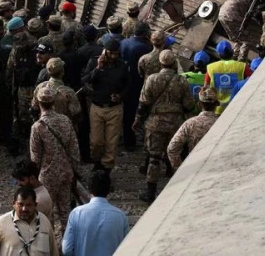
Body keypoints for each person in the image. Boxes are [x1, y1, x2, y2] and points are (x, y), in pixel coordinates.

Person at [133, 50, 194, 203]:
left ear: (160, 63)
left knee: (154, 157)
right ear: (174, 63)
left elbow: (143, 104)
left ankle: (150, 191)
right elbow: (189, 105)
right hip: (175, 123)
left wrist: (138, 121)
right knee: (174, 154)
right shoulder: (181, 81)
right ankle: (176, 187)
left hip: (155, 123)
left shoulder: (152, 79)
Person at [29, 87, 78, 235]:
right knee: (65, 211)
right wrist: (75, 169)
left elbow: (35, 157)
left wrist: (33, 179)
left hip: (47, 175)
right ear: (53, 101)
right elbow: (74, 148)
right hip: (66, 171)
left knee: (46, 214)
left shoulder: (37, 126)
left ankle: (50, 247)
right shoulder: (65, 120)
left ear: (38, 102)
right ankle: (68, 244)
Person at [82, 38, 127, 172]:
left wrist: (121, 95)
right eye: (111, 53)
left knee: (111, 143)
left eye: (116, 53)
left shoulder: (122, 65)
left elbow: (128, 85)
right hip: (97, 107)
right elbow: (85, 80)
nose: (113, 56)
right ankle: (96, 162)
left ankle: (105, 170)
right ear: (105, 52)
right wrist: (97, 68)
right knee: (96, 141)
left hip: (115, 108)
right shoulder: (94, 62)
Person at [62, 170, 129, 256]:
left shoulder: (76, 214)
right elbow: (127, 249)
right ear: (109, 189)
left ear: (88, 188)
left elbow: (67, 249)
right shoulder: (121, 217)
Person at [0, 186, 57, 256]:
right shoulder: (1, 223)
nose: (24, 209)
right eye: (20, 204)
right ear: (14, 204)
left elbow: (53, 249)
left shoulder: (44, 221)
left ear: (35, 205)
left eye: (28, 205)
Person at [167, 86, 220, 169]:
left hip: (195, 168)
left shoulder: (190, 123)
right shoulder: (224, 122)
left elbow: (172, 149)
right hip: (218, 167)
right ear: (217, 104)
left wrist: (180, 170)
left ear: (199, 104)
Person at [119, 22, 153, 150]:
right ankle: (140, 138)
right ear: (145, 33)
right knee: (139, 111)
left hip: (123, 82)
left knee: (127, 112)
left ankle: (128, 140)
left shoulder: (123, 42)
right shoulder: (145, 48)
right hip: (137, 84)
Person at [205, 40, 250, 114]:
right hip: (238, 107)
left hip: (217, 110)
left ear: (218, 54)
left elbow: (205, 89)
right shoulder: (243, 66)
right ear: (232, 52)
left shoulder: (210, 68)